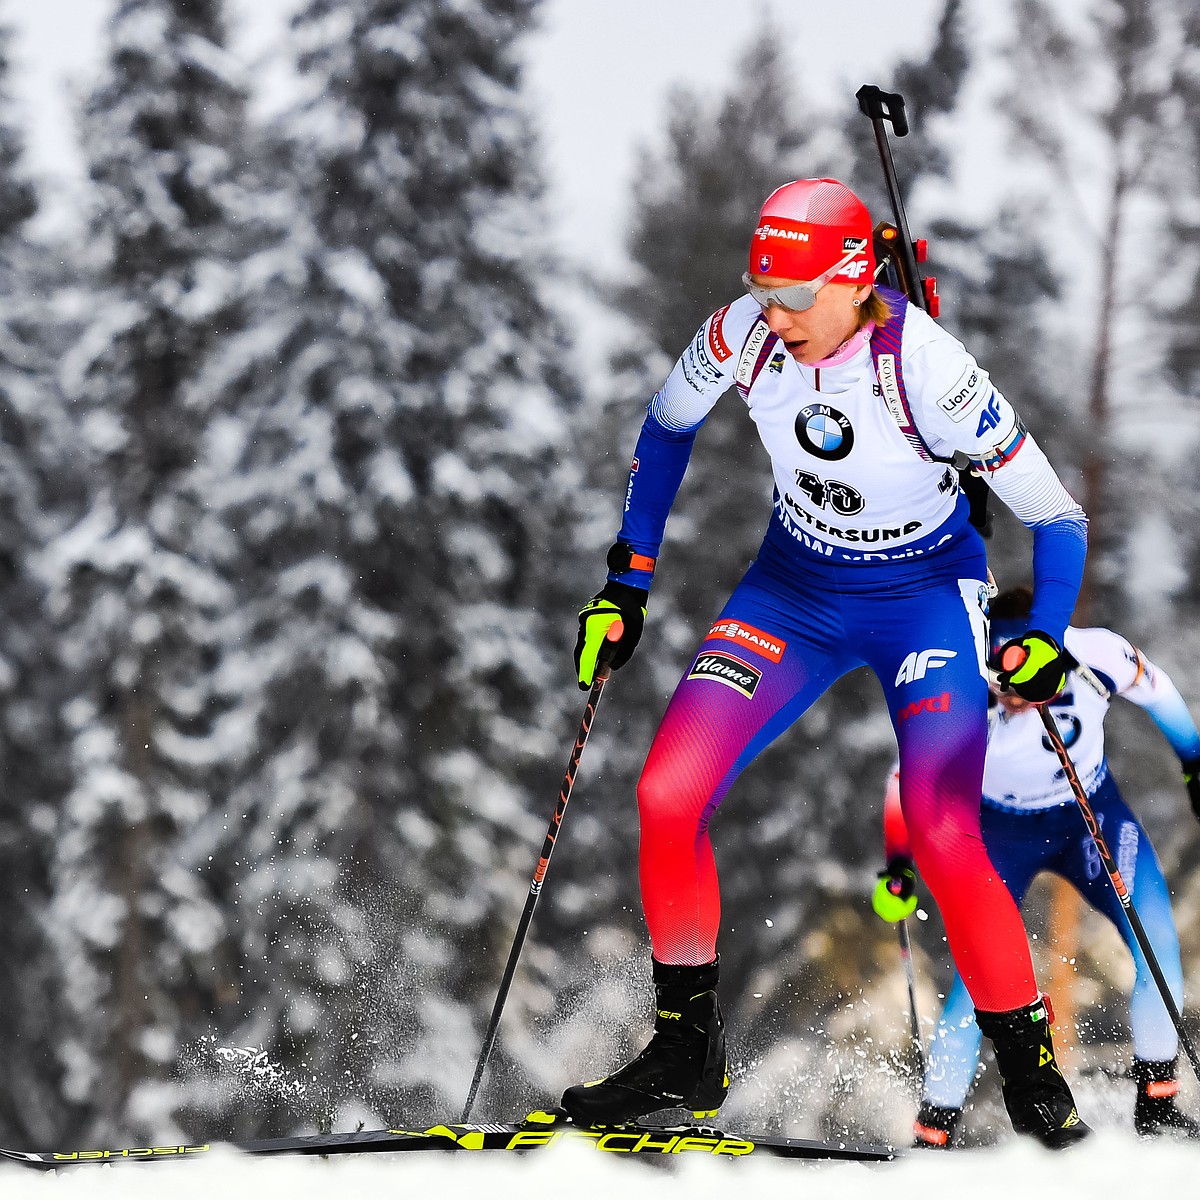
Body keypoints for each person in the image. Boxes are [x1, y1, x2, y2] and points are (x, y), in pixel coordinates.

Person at [563, 178, 1091, 1148]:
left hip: (924, 599)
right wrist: (628, 580)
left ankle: (1033, 1082)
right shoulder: (741, 335)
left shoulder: (928, 367)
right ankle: (686, 1048)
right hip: (792, 592)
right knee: (666, 796)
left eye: (799, 295)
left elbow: (1057, 516)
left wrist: (1046, 636)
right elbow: (667, 426)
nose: (777, 313)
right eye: (764, 287)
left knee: (940, 826)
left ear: (855, 280)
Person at [874, 584, 1200, 1146]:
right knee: (976, 984)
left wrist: (1193, 760)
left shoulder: (1091, 652)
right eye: (995, 675)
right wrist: (898, 865)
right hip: (999, 835)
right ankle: (934, 1131)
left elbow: (1158, 689)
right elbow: (902, 780)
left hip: (1090, 816)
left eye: (1019, 673)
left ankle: (1158, 1104)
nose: (1008, 690)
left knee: (1156, 944)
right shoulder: (957, 681)